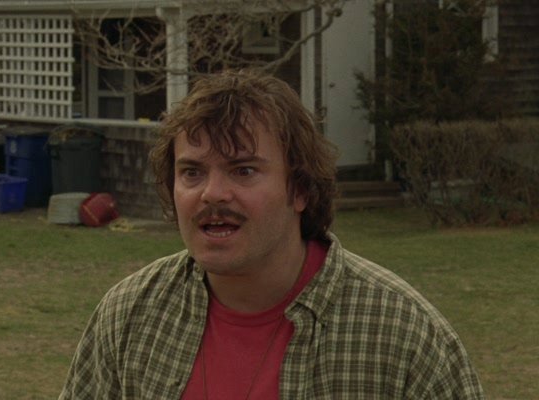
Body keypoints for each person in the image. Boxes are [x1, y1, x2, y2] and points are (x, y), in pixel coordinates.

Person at [59, 70, 484, 399]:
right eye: (192, 172)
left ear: (299, 189)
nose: (212, 193)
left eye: (243, 170)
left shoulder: (405, 335)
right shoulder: (129, 314)